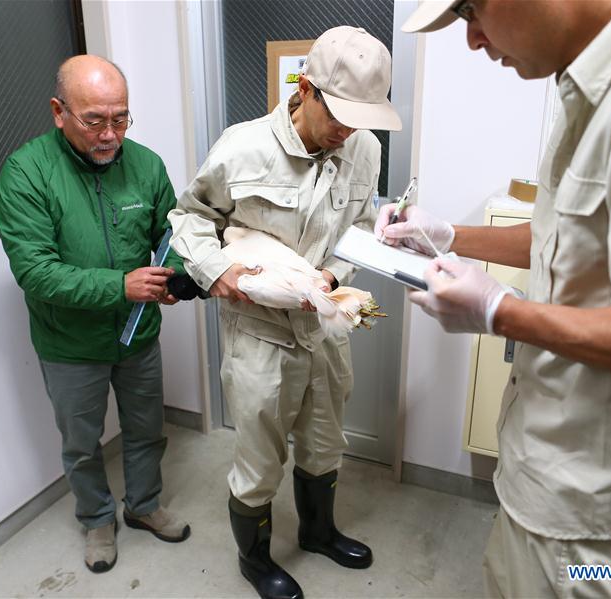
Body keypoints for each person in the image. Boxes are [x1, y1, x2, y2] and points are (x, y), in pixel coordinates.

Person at [379, 1, 611, 596]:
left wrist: (501, 313)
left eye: (472, 9)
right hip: (547, 468)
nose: (473, 39)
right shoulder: (588, 80)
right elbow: (564, 233)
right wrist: (448, 234)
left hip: (599, 512)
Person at [169, 26, 401, 599]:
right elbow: (191, 216)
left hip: (324, 325)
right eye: (339, 114)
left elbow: (360, 230)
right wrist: (215, 271)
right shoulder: (243, 146)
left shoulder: (365, 149)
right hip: (259, 333)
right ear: (305, 89)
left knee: (325, 442)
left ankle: (319, 532)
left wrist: (334, 277)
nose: (348, 131)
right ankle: (255, 560)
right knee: (259, 459)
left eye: (362, 119)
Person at [0, 55, 190, 574]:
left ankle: (143, 505)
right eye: (95, 120)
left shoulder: (145, 165)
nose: (110, 135)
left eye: (120, 119)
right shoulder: (26, 172)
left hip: (137, 335)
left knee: (147, 428)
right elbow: (36, 271)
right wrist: (121, 286)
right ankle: (98, 519)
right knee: (82, 444)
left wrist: (173, 278)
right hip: (69, 344)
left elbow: (172, 236)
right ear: (59, 112)